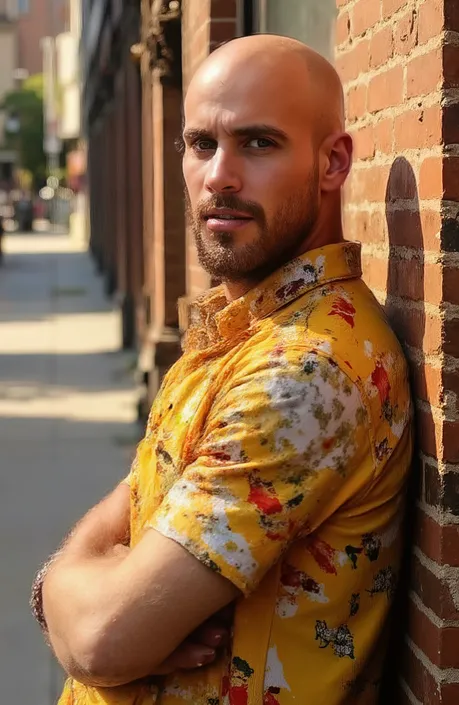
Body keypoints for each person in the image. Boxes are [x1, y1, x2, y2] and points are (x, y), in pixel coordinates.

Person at [32, 34, 413, 705]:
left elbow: (99, 639)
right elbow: (129, 514)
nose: (219, 176)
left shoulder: (303, 373)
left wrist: (73, 587)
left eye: (258, 143)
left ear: (333, 162)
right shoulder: (237, 335)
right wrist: (70, 582)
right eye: (201, 143)